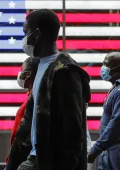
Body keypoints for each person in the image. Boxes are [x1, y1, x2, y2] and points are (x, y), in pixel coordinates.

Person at [18, 9, 91, 170]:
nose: (23, 39)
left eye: (26, 32)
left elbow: (73, 129)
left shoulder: (64, 72)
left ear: (36, 34)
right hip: (37, 156)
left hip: (50, 161)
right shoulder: (40, 66)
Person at [5, 57, 40, 170]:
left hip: (22, 158)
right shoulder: (31, 98)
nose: (20, 75)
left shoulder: (33, 101)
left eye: (22, 70)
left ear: (28, 74)